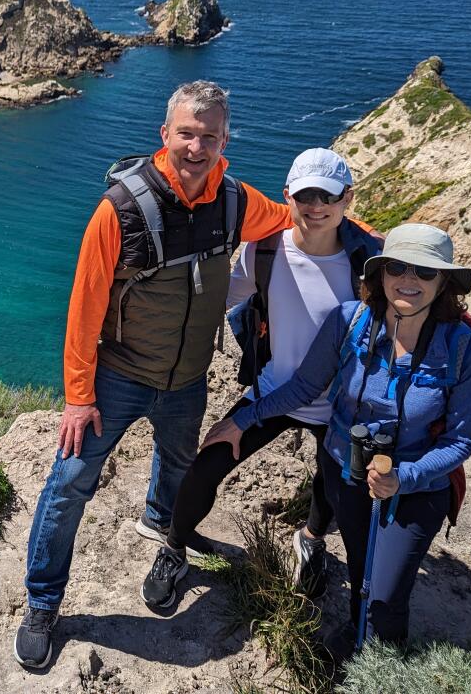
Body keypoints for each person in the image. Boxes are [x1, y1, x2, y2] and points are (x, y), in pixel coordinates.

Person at [13, 81, 296, 670]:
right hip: (117, 376)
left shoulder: (236, 203)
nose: (197, 147)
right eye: (186, 134)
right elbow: (84, 305)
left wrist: (396, 262)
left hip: (188, 379)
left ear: (225, 142)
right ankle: (43, 603)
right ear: (164, 135)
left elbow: (300, 217)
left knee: (175, 466)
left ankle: (165, 537)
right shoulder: (120, 208)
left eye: (210, 136)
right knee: (69, 485)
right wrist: (76, 398)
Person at [208, 223, 471, 650]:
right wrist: (244, 419)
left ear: (443, 281)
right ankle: (357, 637)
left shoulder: (462, 347)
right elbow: (304, 387)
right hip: (344, 470)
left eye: (425, 273)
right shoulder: (350, 321)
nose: (409, 281)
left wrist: (403, 477)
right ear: (380, 273)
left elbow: (461, 440)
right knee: (361, 572)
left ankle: (375, 660)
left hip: (416, 488)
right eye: (398, 267)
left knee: (386, 596)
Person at [140, 148, 382, 609]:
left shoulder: (368, 261)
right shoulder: (266, 249)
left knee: (332, 484)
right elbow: (219, 298)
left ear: (347, 198)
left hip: (341, 405)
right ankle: (174, 545)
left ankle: (311, 539)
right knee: (205, 468)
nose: (316, 207)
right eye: (305, 196)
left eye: (327, 197)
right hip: (272, 391)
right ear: (287, 195)